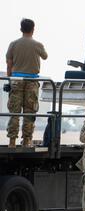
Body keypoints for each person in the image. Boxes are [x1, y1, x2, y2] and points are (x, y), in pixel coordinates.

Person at [5, 18, 48, 148]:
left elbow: (9, 64)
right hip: (32, 81)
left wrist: (9, 80)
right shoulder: (37, 44)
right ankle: (27, 140)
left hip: (16, 80)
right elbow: (45, 56)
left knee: (15, 112)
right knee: (30, 112)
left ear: (21, 29)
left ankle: (12, 142)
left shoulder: (13, 44)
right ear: (33, 29)